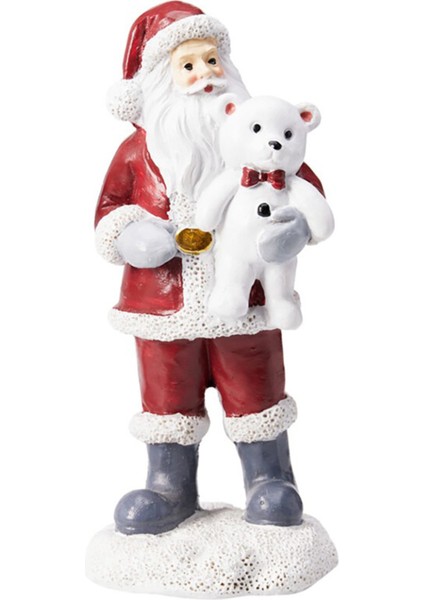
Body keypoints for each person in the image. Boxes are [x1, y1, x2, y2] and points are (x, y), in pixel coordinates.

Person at [95, 1, 332, 535]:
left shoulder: (256, 135)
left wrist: (298, 228)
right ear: (160, 81)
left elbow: (304, 185)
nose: (205, 75)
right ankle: (168, 486)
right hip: (163, 303)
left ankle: (269, 479)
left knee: (255, 386)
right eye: (188, 65)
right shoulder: (137, 152)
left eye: (212, 60)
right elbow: (108, 209)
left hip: (247, 299)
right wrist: (130, 234)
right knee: (166, 396)